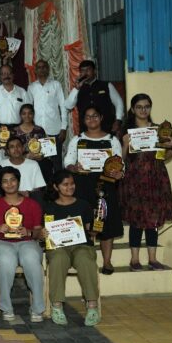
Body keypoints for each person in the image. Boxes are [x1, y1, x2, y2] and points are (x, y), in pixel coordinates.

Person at [120, 93, 172, 271]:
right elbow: (120, 161)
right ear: (132, 109)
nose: (143, 110)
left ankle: (152, 259)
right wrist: (125, 144)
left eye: (146, 106)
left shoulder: (159, 130)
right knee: (136, 220)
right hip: (134, 180)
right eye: (139, 107)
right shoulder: (126, 131)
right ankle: (134, 260)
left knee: (153, 219)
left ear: (150, 108)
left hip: (155, 178)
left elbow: (163, 157)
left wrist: (171, 147)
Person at [64, 105, 124, 275]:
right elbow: (67, 162)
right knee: (86, 223)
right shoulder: (77, 140)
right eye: (88, 117)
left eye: (95, 115)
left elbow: (120, 163)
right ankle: (85, 260)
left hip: (106, 185)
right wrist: (74, 167)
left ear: (101, 117)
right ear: (83, 120)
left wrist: (119, 172)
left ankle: (107, 261)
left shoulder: (112, 140)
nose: (92, 119)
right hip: (83, 186)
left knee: (107, 222)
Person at [0, 167, 45, 322]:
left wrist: (29, 232)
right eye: (5, 181)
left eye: (12, 180)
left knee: (31, 258)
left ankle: (38, 308)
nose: (9, 184)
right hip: (2, 243)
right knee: (6, 260)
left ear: (18, 181)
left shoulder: (32, 205)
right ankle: (6, 307)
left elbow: (38, 232)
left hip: (27, 242)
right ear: (1, 185)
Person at [43, 170, 100, 326]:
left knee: (85, 258)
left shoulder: (83, 205)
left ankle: (92, 305)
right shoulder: (49, 208)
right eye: (65, 184)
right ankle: (56, 305)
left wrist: (96, 228)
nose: (70, 187)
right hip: (58, 247)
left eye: (72, 184)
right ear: (56, 187)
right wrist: (42, 233)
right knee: (58, 259)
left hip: (81, 245)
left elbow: (90, 230)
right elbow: (45, 233)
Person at [65, 60, 124, 135]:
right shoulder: (78, 89)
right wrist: (76, 89)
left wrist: (118, 120)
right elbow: (68, 106)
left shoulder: (106, 85)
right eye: (83, 70)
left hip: (106, 128)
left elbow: (118, 102)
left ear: (94, 71)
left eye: (88, 69)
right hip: (86, 130)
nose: (85, 72)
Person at [27, 60, 67, 168]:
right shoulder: (31, 87)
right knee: (40, 163)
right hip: (37, 131)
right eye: (39, 67)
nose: (42, 69)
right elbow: (28, 109)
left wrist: (63, 128)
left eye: (44, 67)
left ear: (48, 69)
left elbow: (63, 106)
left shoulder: (56, 85)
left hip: (54, 130)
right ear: (35, 70)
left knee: (56, 163)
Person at [12, 104, 54, 185]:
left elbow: (47, 150)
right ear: (20, 115)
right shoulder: (14, 131)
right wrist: (26, 156)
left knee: (46, 165)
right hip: (22, 162)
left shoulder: (40, 130)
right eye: (24, 113)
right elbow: (11, 152)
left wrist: (41, 156)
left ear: (33, 114)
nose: (27, 116)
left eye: (30, 113)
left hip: (39, 162)